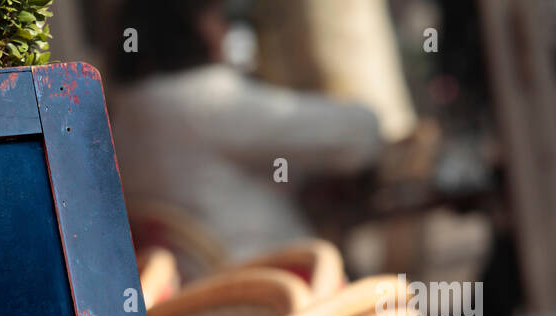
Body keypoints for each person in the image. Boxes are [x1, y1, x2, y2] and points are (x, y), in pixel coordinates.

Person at [108, 0, 384, 261]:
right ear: (194, 25)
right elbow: (357, 134)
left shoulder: (123, 110)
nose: (226, 28)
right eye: (218, 16)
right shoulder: (203, 98)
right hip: (271, 284)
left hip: (195, 296)